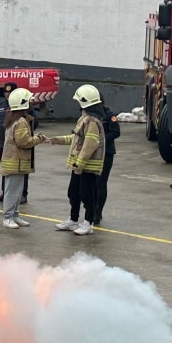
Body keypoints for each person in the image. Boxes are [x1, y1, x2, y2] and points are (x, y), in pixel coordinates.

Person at [50, 84, 106, 236]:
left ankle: (88, 223)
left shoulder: (92, 121)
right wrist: (57, 140)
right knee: (73, 193)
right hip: (79, 165)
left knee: (87, 195)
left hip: (86, 166)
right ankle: (73, 220)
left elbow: (90, 144)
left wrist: (80, 163)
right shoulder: (85, 119)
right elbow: (76, 138)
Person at [0, 88, 45, 229]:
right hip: (16, 162)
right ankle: (8, 217)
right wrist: (38, 139)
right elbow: (23, 142)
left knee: (17, 191)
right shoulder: (20, 122)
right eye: (29, 100)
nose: (31, 102)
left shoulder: (15, 118)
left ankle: (15, 214)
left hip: (17, 162)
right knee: (12, 191)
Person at [96, 100, 122, 222]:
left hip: (106, 153)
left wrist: (101, 140)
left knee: (101, 183)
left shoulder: (109, 115)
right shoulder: (88, 115)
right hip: (91, 153)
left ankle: (98, 211)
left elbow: (116, 132)